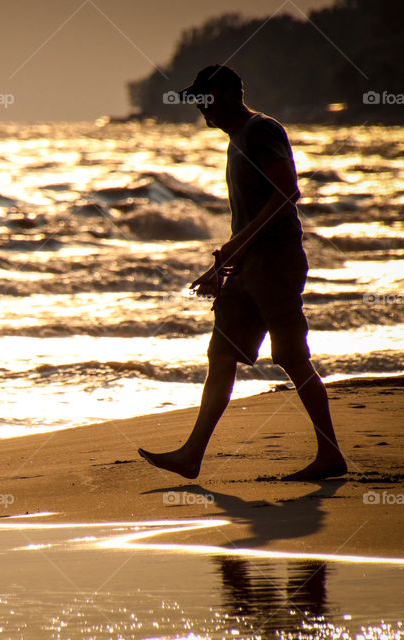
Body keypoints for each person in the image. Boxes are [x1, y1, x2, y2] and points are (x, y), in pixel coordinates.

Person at [138, 64, 346, 481]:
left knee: (290, 355)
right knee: (221, 354)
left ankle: (330, 455)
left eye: (207, 97)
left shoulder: (260, 130)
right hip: (248, 265)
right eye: (197, 99)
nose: (201, 106)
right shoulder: (236, 142)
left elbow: (288, 192)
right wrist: (226, 262)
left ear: (232, 94)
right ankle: (191, 454)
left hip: (276, 262)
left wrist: (238, 245)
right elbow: (253, 215)